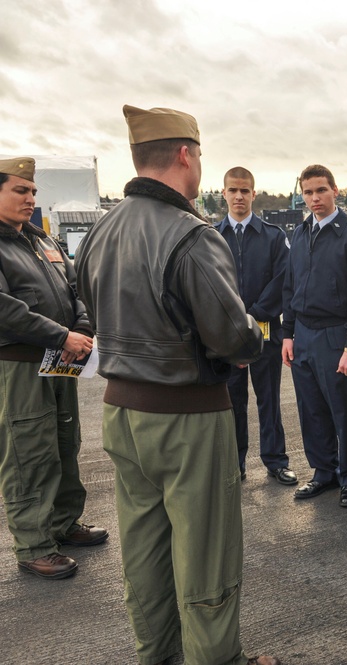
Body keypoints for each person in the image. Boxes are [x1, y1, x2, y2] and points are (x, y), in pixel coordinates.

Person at [75, 105, 278, 665]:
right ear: (186, 155)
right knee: (206, 549)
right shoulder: (190, 235)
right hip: (186, 416)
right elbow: (233, 335)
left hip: (121, 413)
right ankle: (215, 658)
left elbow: (89, 309)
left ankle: (157, 654)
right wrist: (247, 347)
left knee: (144, 548)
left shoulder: (100, 230)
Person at [0, 157, 106, 581]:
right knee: (28, 451)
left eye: (33, 191)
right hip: (21, 364)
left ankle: (63, 523)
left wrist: (80, 325)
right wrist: (61, 336)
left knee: (64, 439)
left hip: (58, 360)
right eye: (20, 190)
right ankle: (34, 544)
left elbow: (74, 286)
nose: (30, 199)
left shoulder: (41, 240)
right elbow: (6, 309)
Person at [282, 164, 347, 507]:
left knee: (342, 411)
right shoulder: (301, 234)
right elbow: (290, 286)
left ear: (335, 191)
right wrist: (287, 333)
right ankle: (324, 472)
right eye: (308, 192)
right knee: (311, 409)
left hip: (336, 336)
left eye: (321, 190)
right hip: (303, 335)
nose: (314, 198)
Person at [213, 167, 296, 486]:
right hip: (227, 337)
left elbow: (282, 280)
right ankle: (235, 463)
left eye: (244, 190)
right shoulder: (211, 237)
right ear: (223, 194)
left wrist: (252, 316)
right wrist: (234, 321)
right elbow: (209, 284)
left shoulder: (274, 237)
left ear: (253, 193)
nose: (238, 196)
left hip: (265, 333)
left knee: (269, 399)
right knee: (231, 402)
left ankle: (275, 460)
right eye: (233, 190)